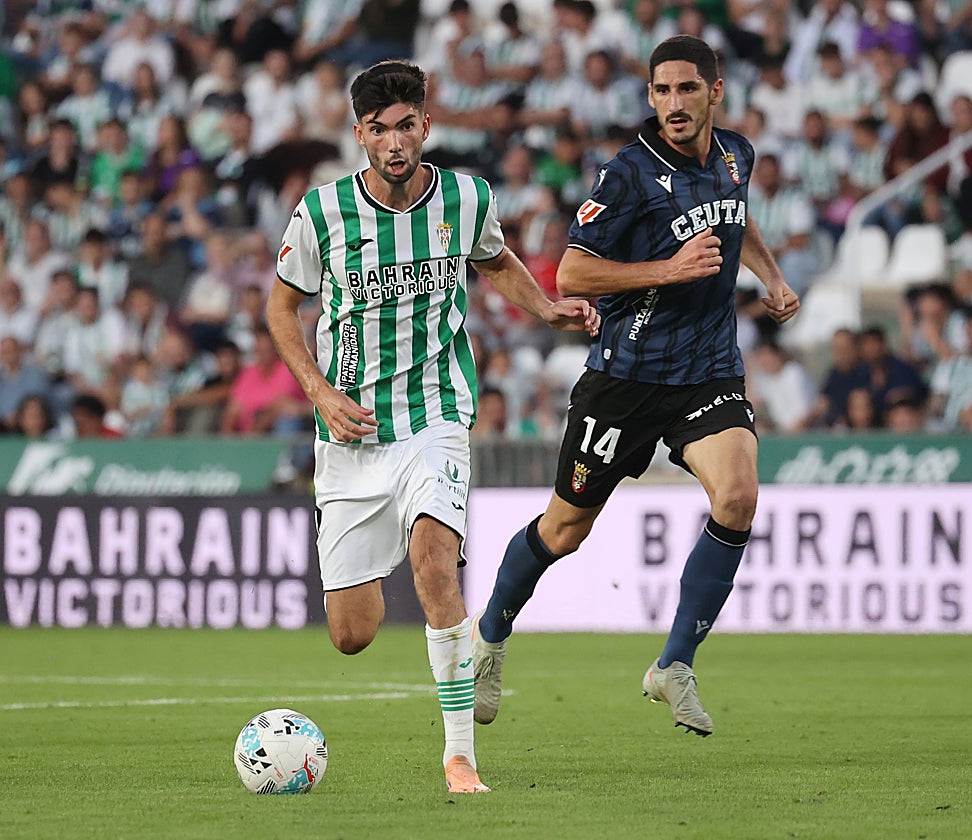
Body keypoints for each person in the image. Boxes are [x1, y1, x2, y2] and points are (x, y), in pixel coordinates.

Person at [265, 60, 597, 794]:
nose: (393, 142)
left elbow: (496, 259)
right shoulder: (321, 214)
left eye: (405, 126)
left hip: (434, 414)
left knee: (434, 566)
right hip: (350, 431)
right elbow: (280, 309)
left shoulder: (467, 196)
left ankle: (459, 759)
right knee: (352, 634)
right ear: (359, 135)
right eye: (378, 130)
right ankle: (437, 621)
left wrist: (544, 309)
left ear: (425, 126)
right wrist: (318, 393)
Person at [472, 36, 800, 739]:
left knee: (738, 497)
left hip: (706, 372)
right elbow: (572, 275)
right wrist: (669, 270)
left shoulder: (737, 154)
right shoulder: (626, 175)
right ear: (650, 98)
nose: (674, 104)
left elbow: (739, 218)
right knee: (565, 529)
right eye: (661, 91)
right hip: (623, 380)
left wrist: (768, 275)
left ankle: (673, 665)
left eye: (687, 89)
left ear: (715, 92)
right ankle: (490, 635)